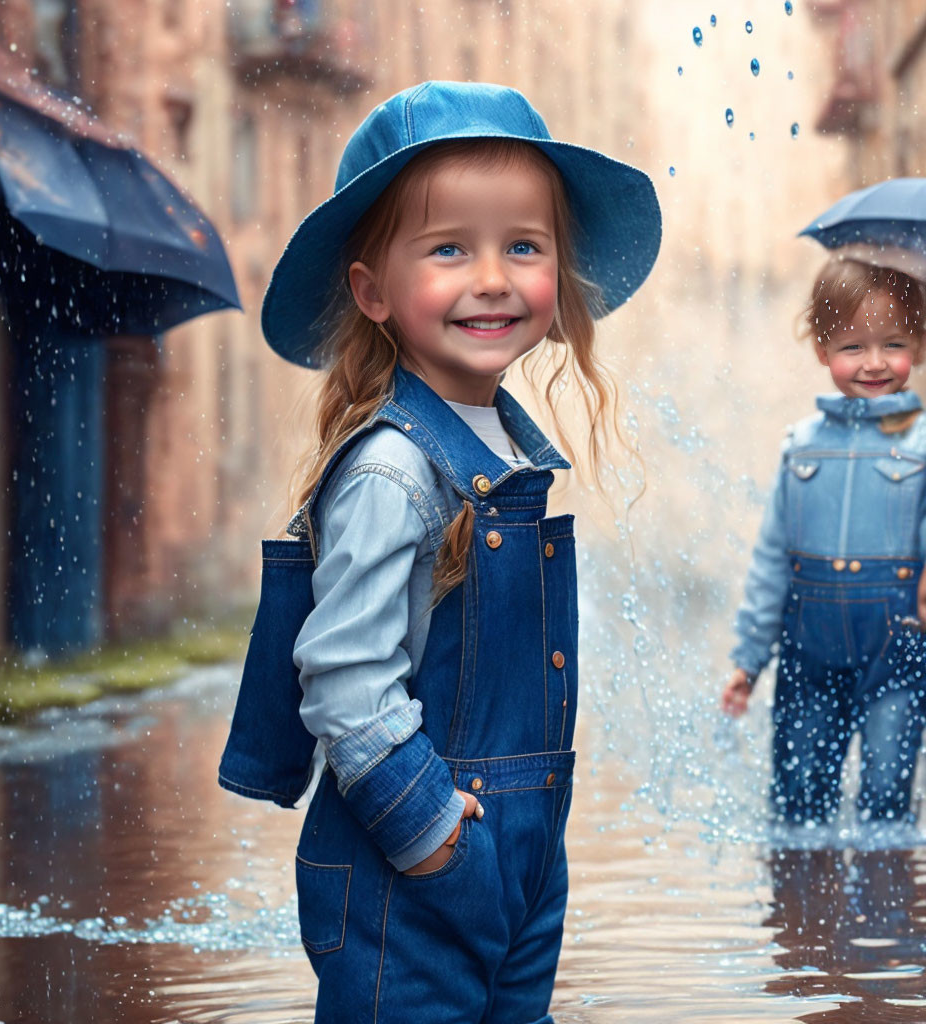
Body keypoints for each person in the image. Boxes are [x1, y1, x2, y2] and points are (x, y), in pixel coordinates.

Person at [218, 80, 660, 1022]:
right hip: (411, 863)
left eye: (523, 246)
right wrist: (427, 836)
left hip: (523, 844)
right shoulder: (392, 469)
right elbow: (342, 672)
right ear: (373, 290)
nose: (492, 276)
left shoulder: (509, 448)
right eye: (450, 247)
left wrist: (505, 854)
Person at [723, 256, 926, 827]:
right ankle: (803, 909)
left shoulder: (921, 442)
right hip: (808, 650)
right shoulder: (801, 446)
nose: (875, 363)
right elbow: (771, 561)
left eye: (894, 343)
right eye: (853, 347)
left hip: (900, 648)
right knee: (798, 805)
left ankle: (889, 915)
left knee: (888, 800)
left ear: (919, 342)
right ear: (821, 349)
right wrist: (749, 658)